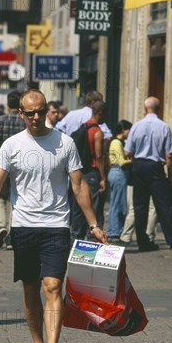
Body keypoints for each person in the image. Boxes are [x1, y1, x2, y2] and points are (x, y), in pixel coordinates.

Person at [0, 89, 107, 343]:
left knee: (53, 285)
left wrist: (94, 224)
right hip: (24, 226)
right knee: (30, 288)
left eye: (40, 111)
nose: (36, 117)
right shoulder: (12, 145)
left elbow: (79, 185)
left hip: (56, 225)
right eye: (30, 113)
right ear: (21, 113)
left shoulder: (65, 143)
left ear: (47, 109)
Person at [124, 96, 172, 251]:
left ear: (145, 109)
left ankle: (142, 242)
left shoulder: (136, 126)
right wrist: (170, 175)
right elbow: (169, 155)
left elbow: (127, 151)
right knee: (164, 205)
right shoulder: (164, 127)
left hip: (139, 166)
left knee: (140, 206)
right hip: (156, 167)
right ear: (159, 109)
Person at [0, 90, 25, 249]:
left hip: (1, 166)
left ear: (8, 104)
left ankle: (1, 225)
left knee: (0, 197)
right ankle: (10, 233)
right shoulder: (25, 121)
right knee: (15, 199)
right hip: (21, 166)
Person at [70, 100, 107, 240]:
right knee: (94, 207)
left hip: (79, 172)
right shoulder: (97, 131)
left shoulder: (83, 128)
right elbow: (98, 155)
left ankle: (75, 237)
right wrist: (103, 177)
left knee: (78, 207)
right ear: (101, 113)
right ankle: (92, 238)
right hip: (92, 173)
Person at [107, 120, 133, 241]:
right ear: (123, 130)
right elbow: (121, 162)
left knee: (116, 202)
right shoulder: (117, 142)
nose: (130, 133)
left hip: (116, 173)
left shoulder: (117, 142)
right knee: (117, 203)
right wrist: (133, 161)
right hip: (118, 173)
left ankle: (114, 229)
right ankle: (114, 231)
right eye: (129, 131)